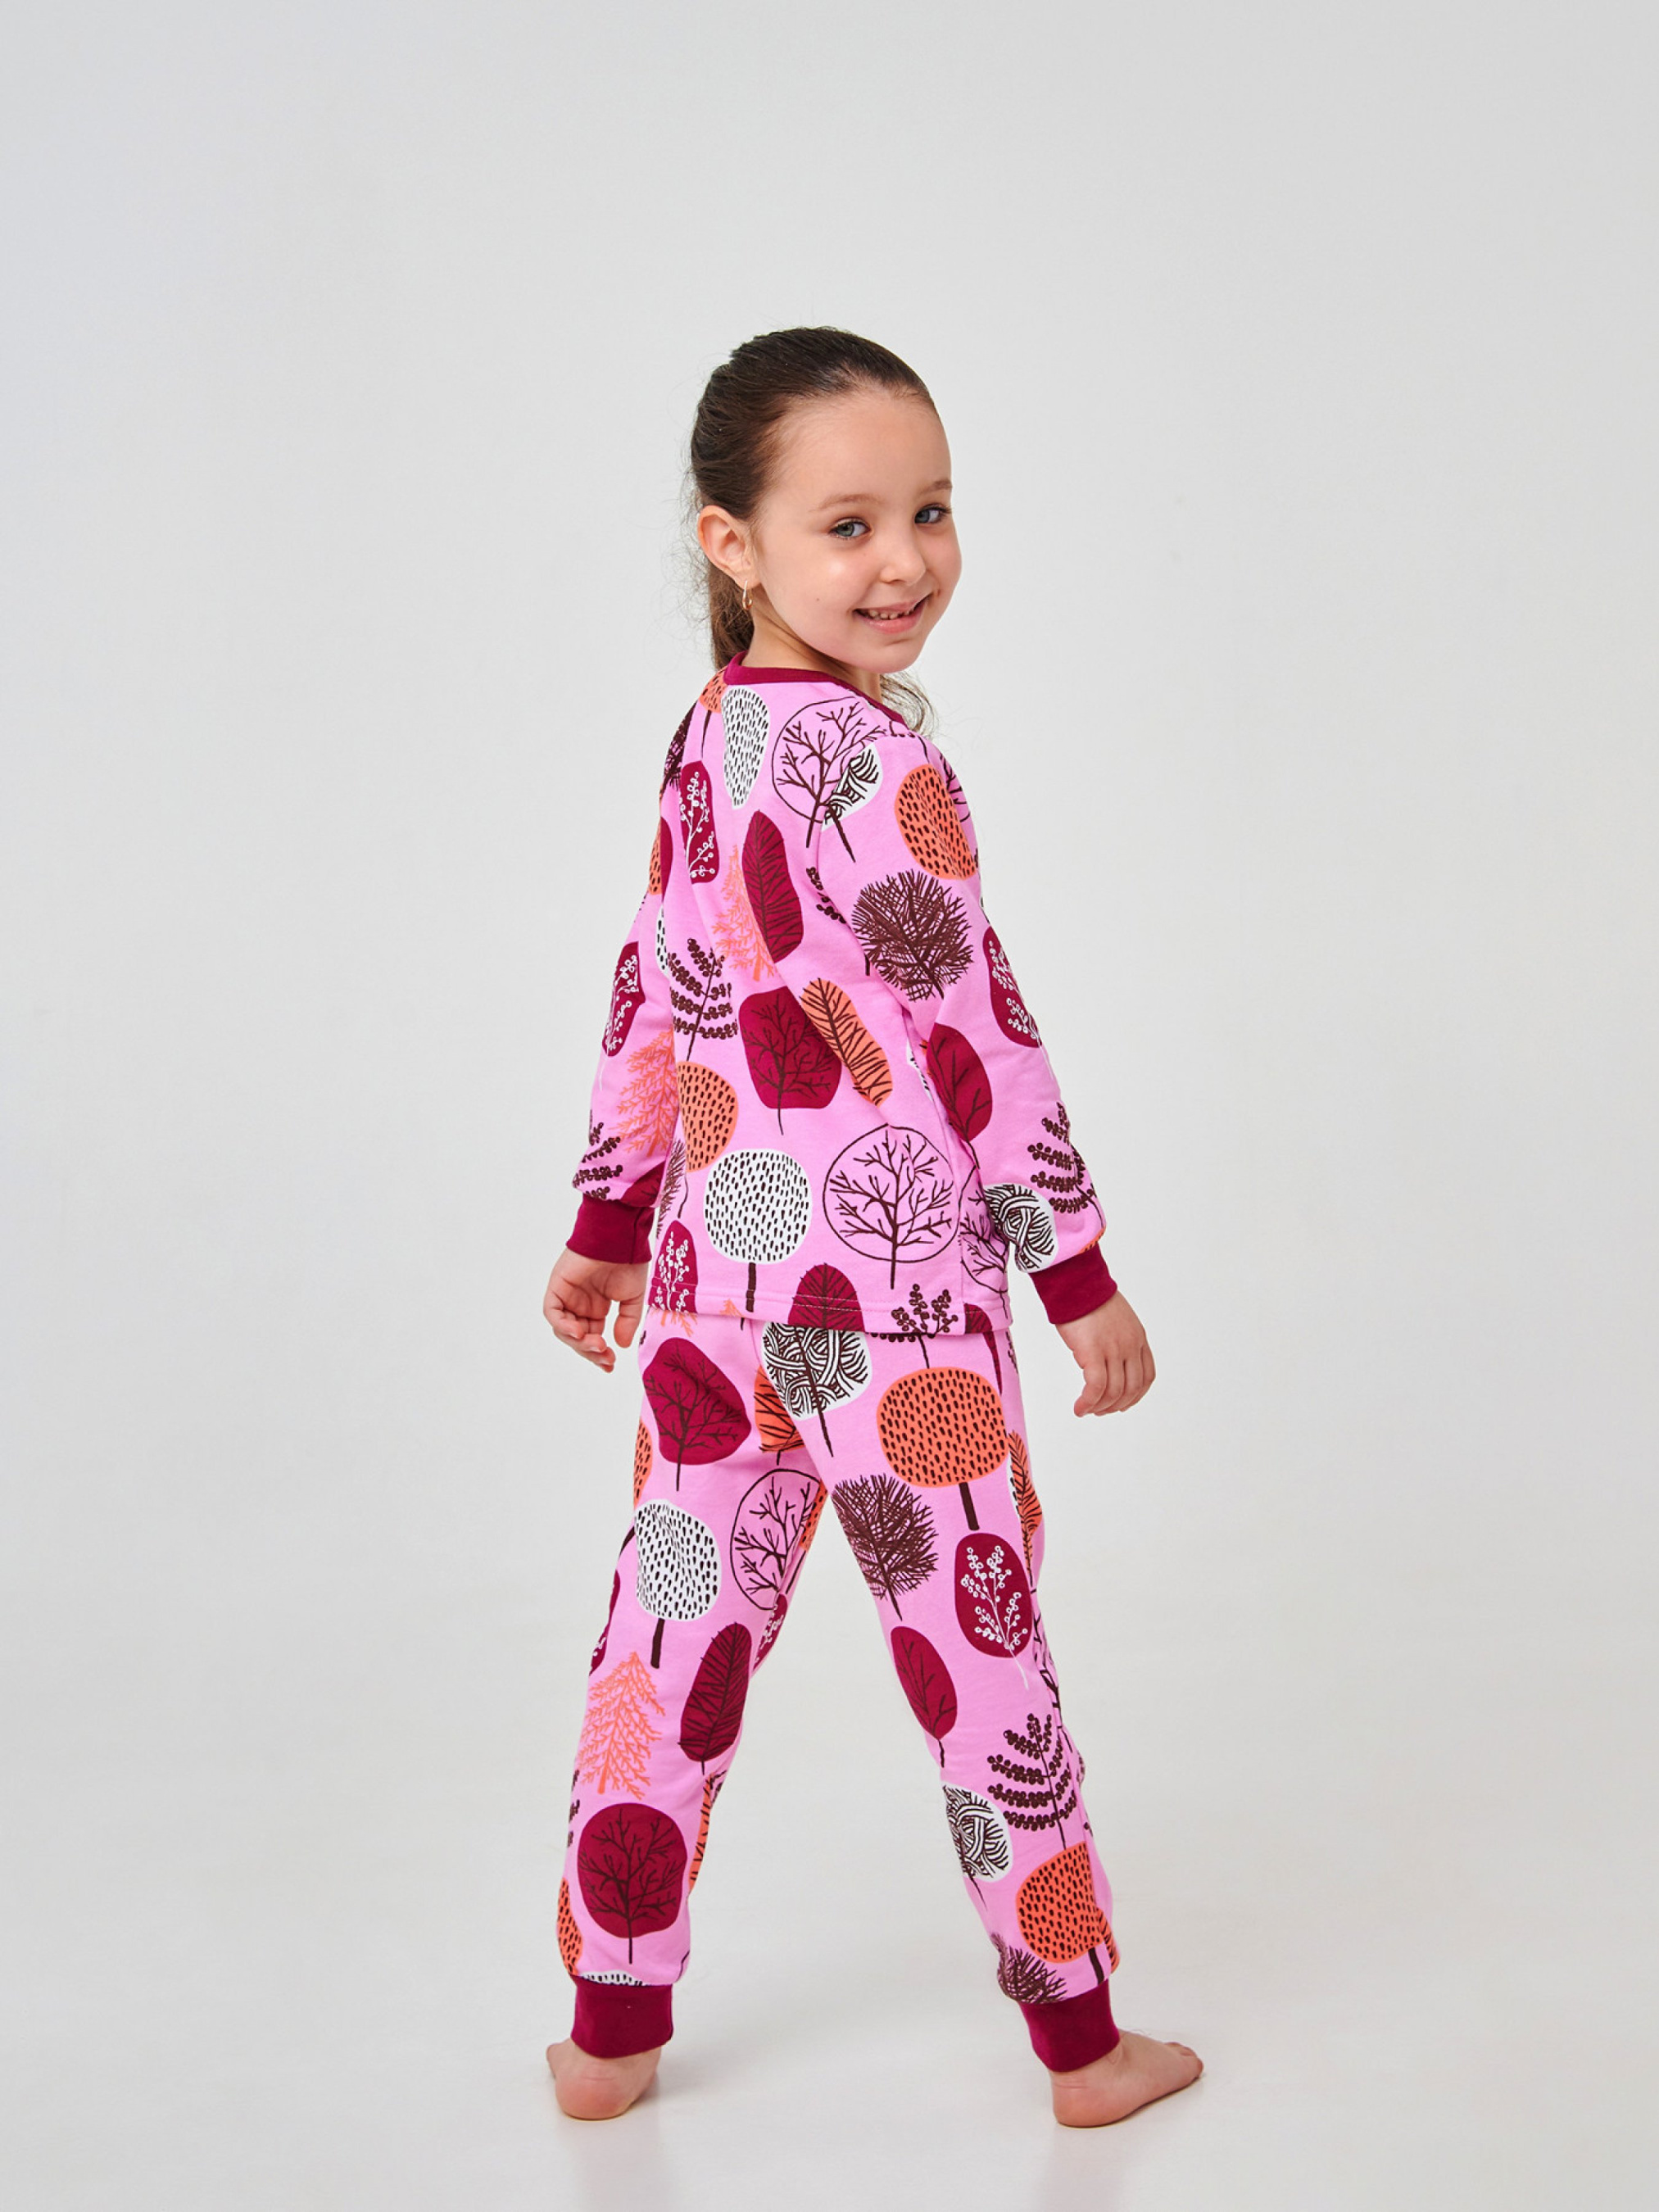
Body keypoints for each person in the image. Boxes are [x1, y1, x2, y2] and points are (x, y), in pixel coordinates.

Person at [542, 328, 1202, 2127]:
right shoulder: (877, 762)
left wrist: (610, 1218)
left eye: (929, 510)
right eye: (847, 524)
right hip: (895, 1309)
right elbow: (970, 1023)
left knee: (662, 1660)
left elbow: (653, 989)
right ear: (732, 542)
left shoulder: (707, 738)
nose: (901, 560)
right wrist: (1073, 1270)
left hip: (711, 1297)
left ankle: (609, 2036)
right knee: (983, 1676)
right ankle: (1083, 2049)